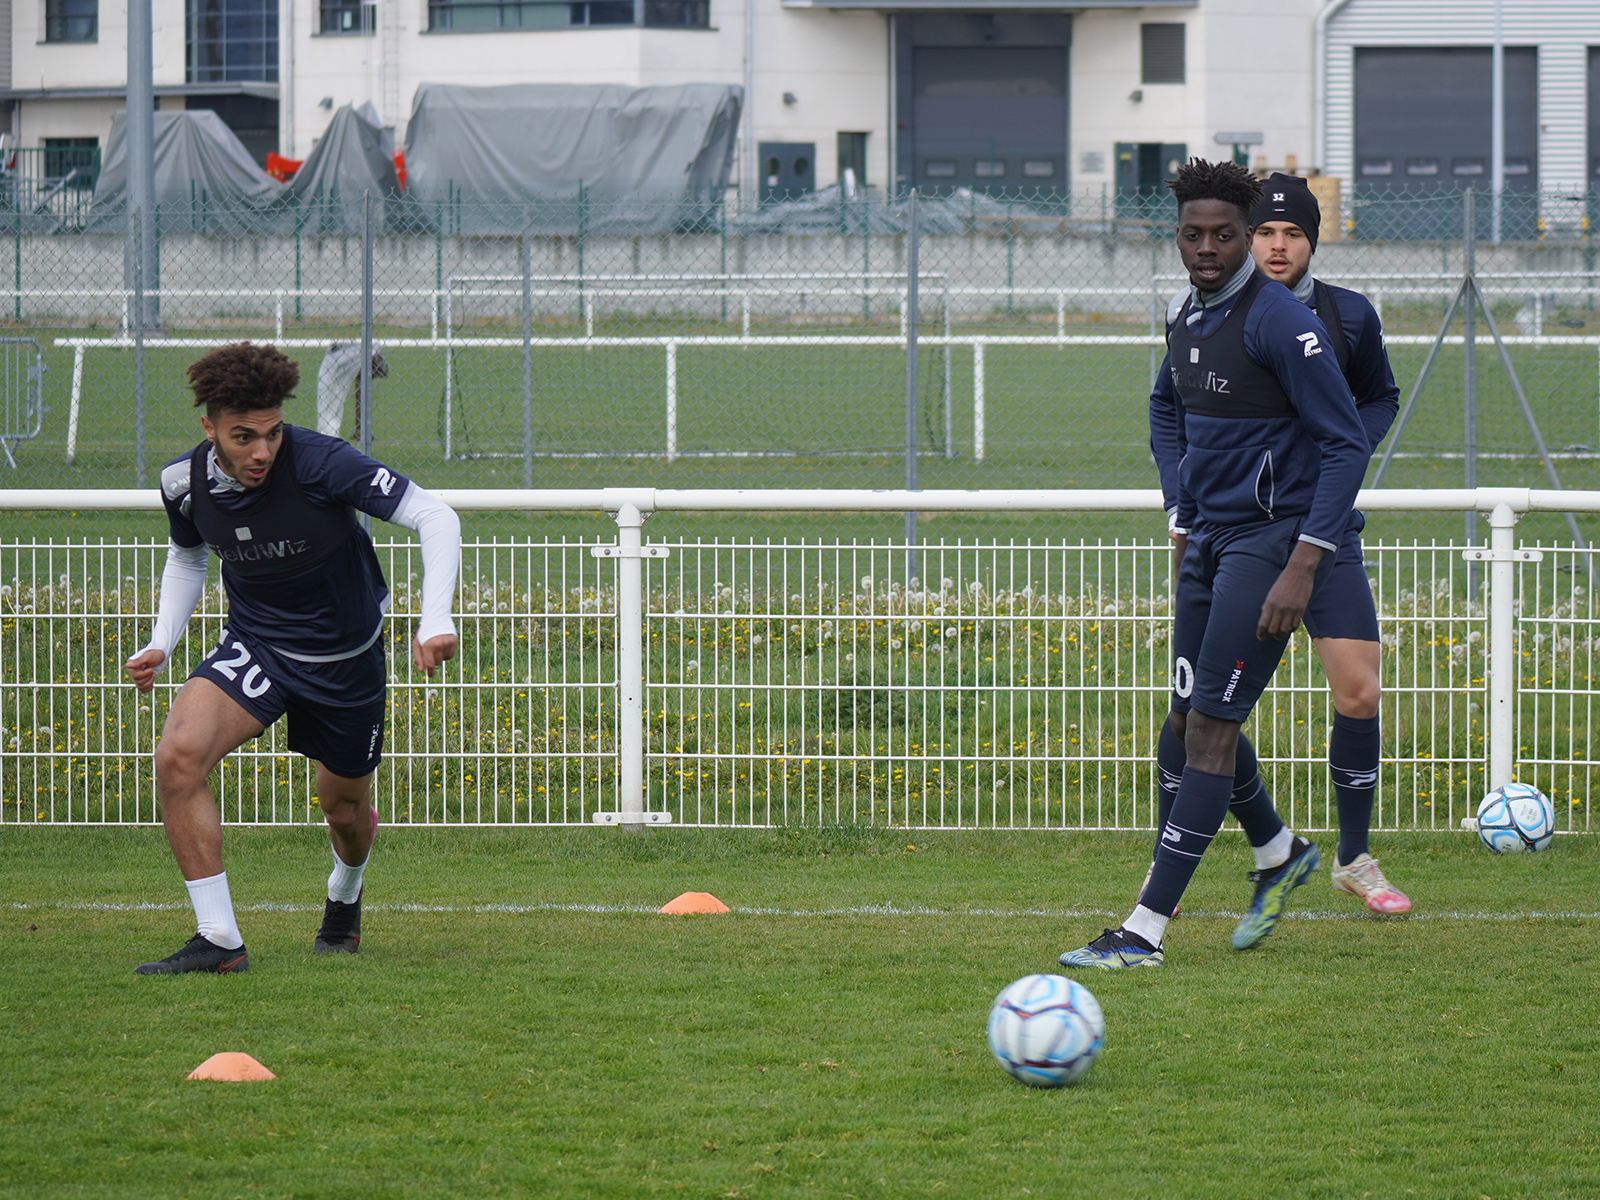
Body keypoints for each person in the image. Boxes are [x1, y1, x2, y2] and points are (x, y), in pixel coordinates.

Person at [1059, 160, 1368, 969]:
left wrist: (1305, 563)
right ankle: (1276, 851)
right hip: (1207, 544)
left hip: (1271, 548)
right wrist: (1180, 509)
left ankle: (1143, 932)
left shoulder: (1279, 324)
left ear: (1242, 238)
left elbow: (1346, 443)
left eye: (1222, 235)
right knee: (1183, 724)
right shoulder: (1182, 314)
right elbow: (1166, 408)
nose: (1206, 248)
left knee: (1209, 731)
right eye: (1192, 234)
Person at [125, 342, 461, 975]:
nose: (261, 452)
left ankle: (344, 895)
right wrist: (161, 641)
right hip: (258, 646)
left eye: (273, 434)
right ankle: (219, 940)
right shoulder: (183, 481)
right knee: (177, 757)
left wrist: (434, 617)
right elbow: (189, 554)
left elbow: (433, 514)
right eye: (243, 436)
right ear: (209, 427)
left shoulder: (322, 462)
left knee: (344, 809)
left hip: (347, 660)